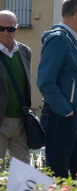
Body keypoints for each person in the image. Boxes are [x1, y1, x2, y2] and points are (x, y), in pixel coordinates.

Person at [37, 0, 77, 178]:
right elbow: (45, 81)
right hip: (62, 118)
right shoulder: (59, 39)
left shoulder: (74, 41)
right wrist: (66, 111)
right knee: (58, 174)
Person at [0, 10, 32, 168]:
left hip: (21, 122)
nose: (6, 32)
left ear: (17, 29)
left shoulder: (25, 51)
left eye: (10, 29)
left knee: (24, 171)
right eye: (1, 28)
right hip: (0, 120)